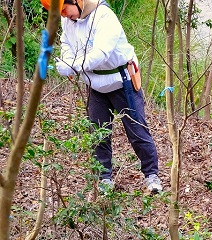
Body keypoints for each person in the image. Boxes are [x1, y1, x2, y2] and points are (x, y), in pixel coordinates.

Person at [43, 0, 163, 193]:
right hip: (95, 85)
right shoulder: (69, 21)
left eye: (65, 9)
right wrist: (66, 60)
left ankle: (152, 175)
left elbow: (101, 53)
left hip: (121, 81)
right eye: (61, 13)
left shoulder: (103, 16)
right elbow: (67, 43)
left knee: (137, 130)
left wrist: (75, 65)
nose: (65, 15)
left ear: (76, 1)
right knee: (99, 133)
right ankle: (104, 178)